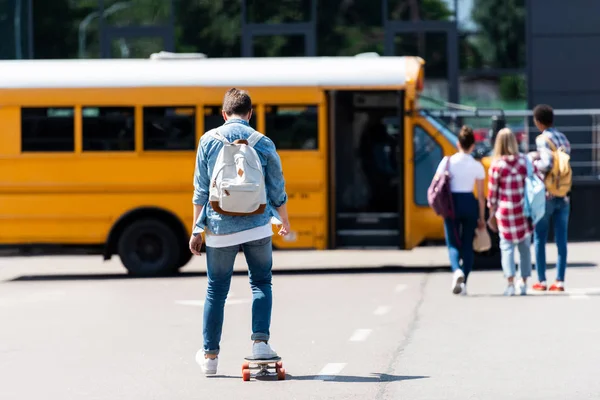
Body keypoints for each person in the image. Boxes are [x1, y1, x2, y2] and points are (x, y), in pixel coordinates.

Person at [189, 88, 290, 375]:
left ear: (223, 114)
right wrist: (283, 219)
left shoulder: (208, 141)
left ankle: (210, 359)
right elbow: (277, 187)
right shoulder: (263, 142)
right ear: (250, 113)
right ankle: (260, 343)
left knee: (216, 290)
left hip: (220, 228)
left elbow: (200, 190)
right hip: (257, 224)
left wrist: (196, 229)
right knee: (261, 283)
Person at [433, 126, 486, 296]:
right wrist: (482, 217)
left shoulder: (447, 162)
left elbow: (436, 183)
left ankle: (457, 271)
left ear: (457, 143)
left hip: (451, 204)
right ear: (473, 145)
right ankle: (464, 283)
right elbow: (481, 195)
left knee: (452, 243)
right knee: (467, 244)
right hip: (469, 203)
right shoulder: (477, 165)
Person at [487, 128, 534, 296]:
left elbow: (492, 194)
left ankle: (510, 283)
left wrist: (491, 211)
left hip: (505, 211)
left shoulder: (496, 165)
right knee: (524, 247)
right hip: (523, 209)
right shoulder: (524, 161)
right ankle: (524, 281)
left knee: (506, 247)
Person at [531, 104, 571, 292]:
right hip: (563, 194)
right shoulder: (562, 137)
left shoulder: (542, 139)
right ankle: (560, 280)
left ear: (538, 122)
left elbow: (546, 164)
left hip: (546, 195)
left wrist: (534, 160)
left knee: (540, 237)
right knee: (561, 239)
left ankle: (542, 280)